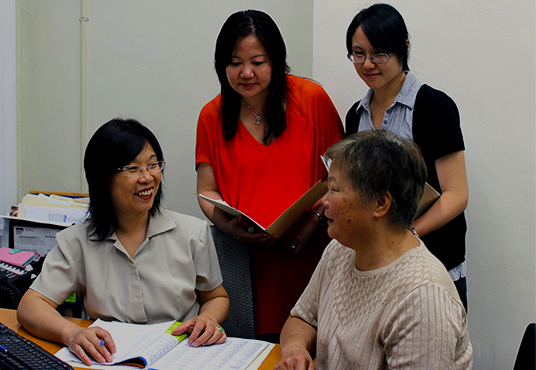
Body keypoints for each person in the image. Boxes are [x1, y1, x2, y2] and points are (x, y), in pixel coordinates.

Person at [17, 118, 229, 366]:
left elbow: (216, 297)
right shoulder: (76, 242)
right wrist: (71, 333)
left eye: (153, 165)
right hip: (110, 360)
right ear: (102, 178)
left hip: (180, 357)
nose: (147, 178)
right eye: (132, 168)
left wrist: (209, 320)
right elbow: (31, 306)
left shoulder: (193, 232)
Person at [196, 10, 344, 341]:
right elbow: (206, 191)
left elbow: (343, 176)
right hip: (245, 257)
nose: (246, 73)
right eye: (235, 62)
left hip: (312, 249)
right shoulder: (212, 115)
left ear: (276, 60)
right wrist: (226, 224)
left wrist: (315, 220)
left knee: (311, 344)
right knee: (253, 347)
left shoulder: (311, 99)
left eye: (258, 62)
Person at [275, 131, 473, 370]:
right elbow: (302, 318)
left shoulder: (423, 297)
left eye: (335, 190)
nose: (325, 201)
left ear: (380, 203)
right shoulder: (340, 249)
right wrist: (294, 349)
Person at [344, 3, 469, 309]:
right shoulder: (355, 116)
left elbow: (456, 195)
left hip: (432, 265)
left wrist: (406, 234)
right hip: (375, 267)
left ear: (405, 48)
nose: (368, 64)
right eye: (358, 54)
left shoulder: (433, 107)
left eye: (379, 53)